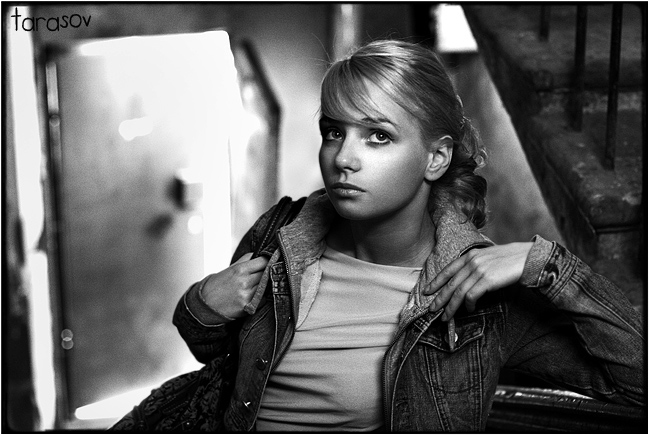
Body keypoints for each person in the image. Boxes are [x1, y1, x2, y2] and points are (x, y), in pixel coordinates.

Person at [172, 39, 644, 432]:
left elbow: (637, 384)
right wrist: (201, 305)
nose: (343, 158)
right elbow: (217, 361)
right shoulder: (279, 234)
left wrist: (548, 266)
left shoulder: (480, 297)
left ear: (435, 159)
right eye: (334, 132)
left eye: (377, 136)